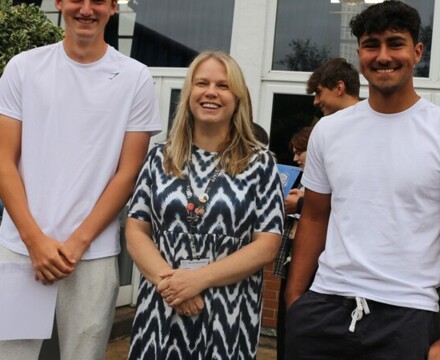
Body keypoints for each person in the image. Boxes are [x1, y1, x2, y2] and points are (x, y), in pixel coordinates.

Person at [0, 0, 162, 358]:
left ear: (113, 7)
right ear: (59, 3)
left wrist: (76, 244)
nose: (86, 9)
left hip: (92, 254)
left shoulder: (135, 77)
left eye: (99, 1)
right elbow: (4, 160)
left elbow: (127, 172)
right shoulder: (24, 68)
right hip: (20, 248)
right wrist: (34, 241)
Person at [284, 1, 440, 359]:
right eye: (372, 45)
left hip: (408, 312)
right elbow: (314, 217)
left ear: (417, 51)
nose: (383, 55)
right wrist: (295, 303)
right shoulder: (330, 130)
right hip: (324, 308)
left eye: (395, 43)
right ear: (359, 54)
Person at [125, 50, 284, 359]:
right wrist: (172, 285)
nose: (211, 92)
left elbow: (266, 245)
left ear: (238, 98)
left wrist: (197, 280)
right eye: (202, 83)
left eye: (223, 86)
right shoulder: (159, 158)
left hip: (228, 311)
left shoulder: (261, 163)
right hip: (162, 305)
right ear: (189, 94)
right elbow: (135, 229)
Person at [275, 58, 360, 360]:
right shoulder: (326, 131)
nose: (315, 101)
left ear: (340, 87)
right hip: (319, 271)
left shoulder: (366, 130)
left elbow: (355, 198)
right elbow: (318, 207)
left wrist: (300, 202)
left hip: (355, 279)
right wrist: (294, 296)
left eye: (319, 92)